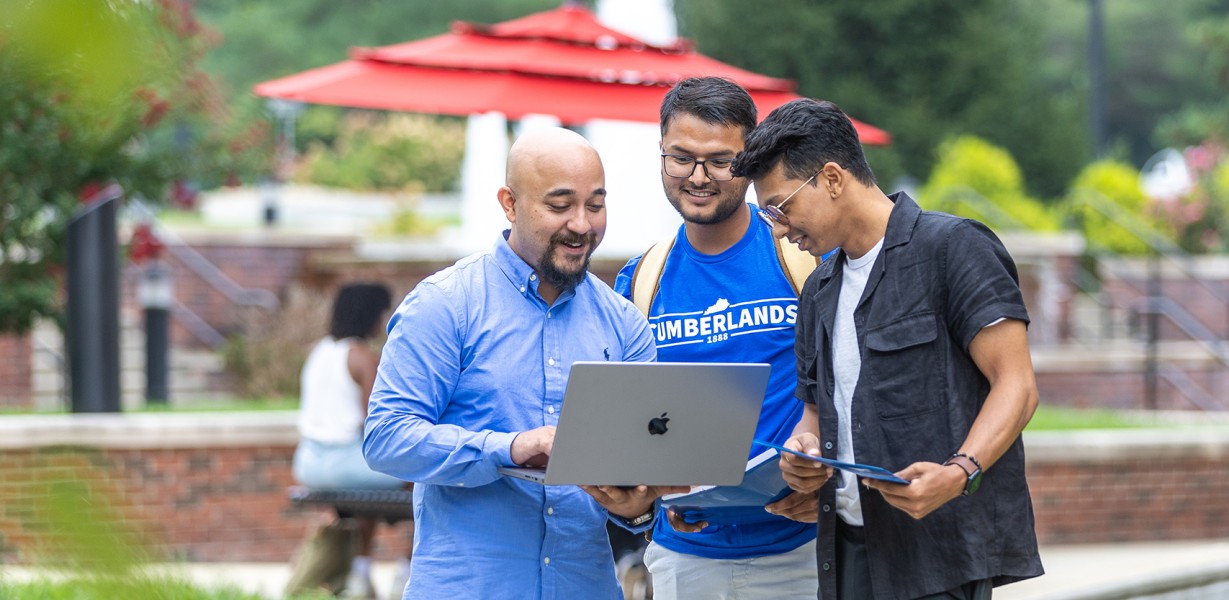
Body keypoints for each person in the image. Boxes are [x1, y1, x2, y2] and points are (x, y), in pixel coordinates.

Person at [732, 99, 1045, 600]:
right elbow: (815, 414)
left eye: (781, 207)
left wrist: (958, 471)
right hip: (848, 551)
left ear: (832, 179)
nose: (780, 228)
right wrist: (802, 454)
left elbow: (1018, 385)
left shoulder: (953, 248)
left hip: (939, 554)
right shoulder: (818, 291)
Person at [362, 127, 676, 598]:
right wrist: (507, 447)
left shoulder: (624, 324)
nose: (582, 224)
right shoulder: (446, 304)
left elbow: (639, 468)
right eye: (559, 205)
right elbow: (386, 438)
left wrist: (636, 503)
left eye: (595, 205)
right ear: (509, 204)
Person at [612, 76, 819, 599]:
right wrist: (651, 498)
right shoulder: (641, 279)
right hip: (686, 557)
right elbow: (628, 417)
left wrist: (833, 484)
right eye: (681, 158)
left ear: (750, 160)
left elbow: (858, 385)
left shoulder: (802, 258)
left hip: (803, 551)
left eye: (720, 160)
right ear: (660, 154)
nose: (699, 177)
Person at [292, 282, 407, 599]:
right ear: (371, 315)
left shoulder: (318, 351)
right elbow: (377, 424)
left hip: (309, 463)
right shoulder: (362, 357)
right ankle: (406, 572)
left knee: (366, 495)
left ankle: (361, 574)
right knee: (424, 473)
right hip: (346, 465)